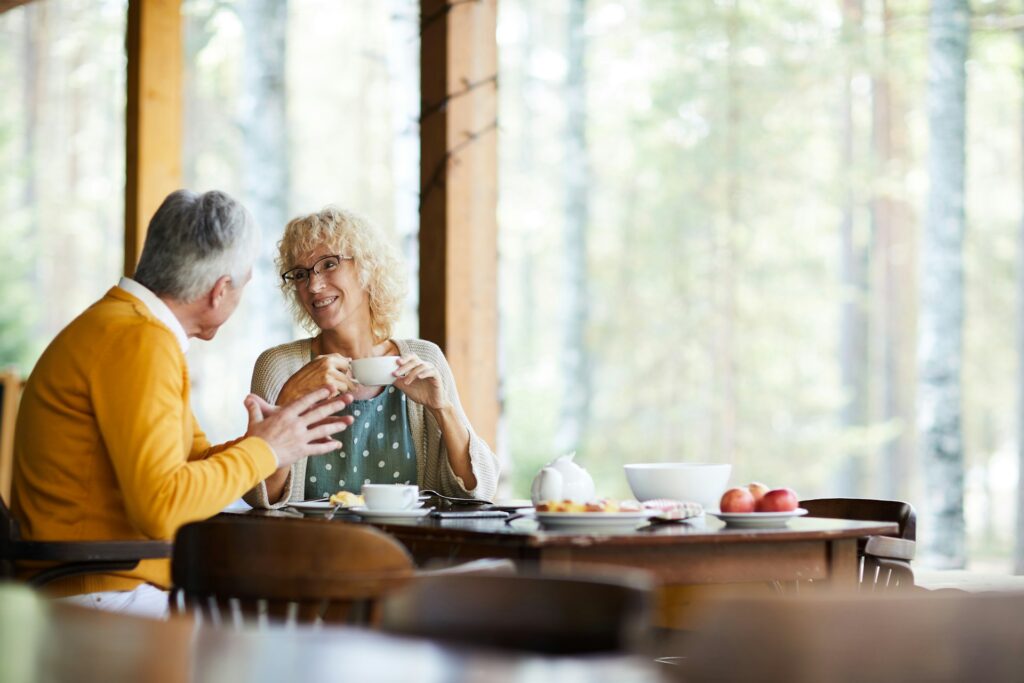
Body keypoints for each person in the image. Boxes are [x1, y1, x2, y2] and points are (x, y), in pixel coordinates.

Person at [11, 190, 354, 618]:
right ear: (219, 290)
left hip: (101, 588)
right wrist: (265, 450)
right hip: (103, 597)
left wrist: (268, 437)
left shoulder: (124, 328)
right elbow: (162, 508)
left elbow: (192, 464)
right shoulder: (139, 341)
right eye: (243, 285)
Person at [245, 207, 499, 508]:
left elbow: (478, 488)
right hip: (310, 549)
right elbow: (261, 496)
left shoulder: (422, 358)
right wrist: (290, 400)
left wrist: (442, 408)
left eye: (329, 264)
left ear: (367, 268)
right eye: (300, 274)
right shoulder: (279, 366)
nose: (313, 285)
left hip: (409, 549)